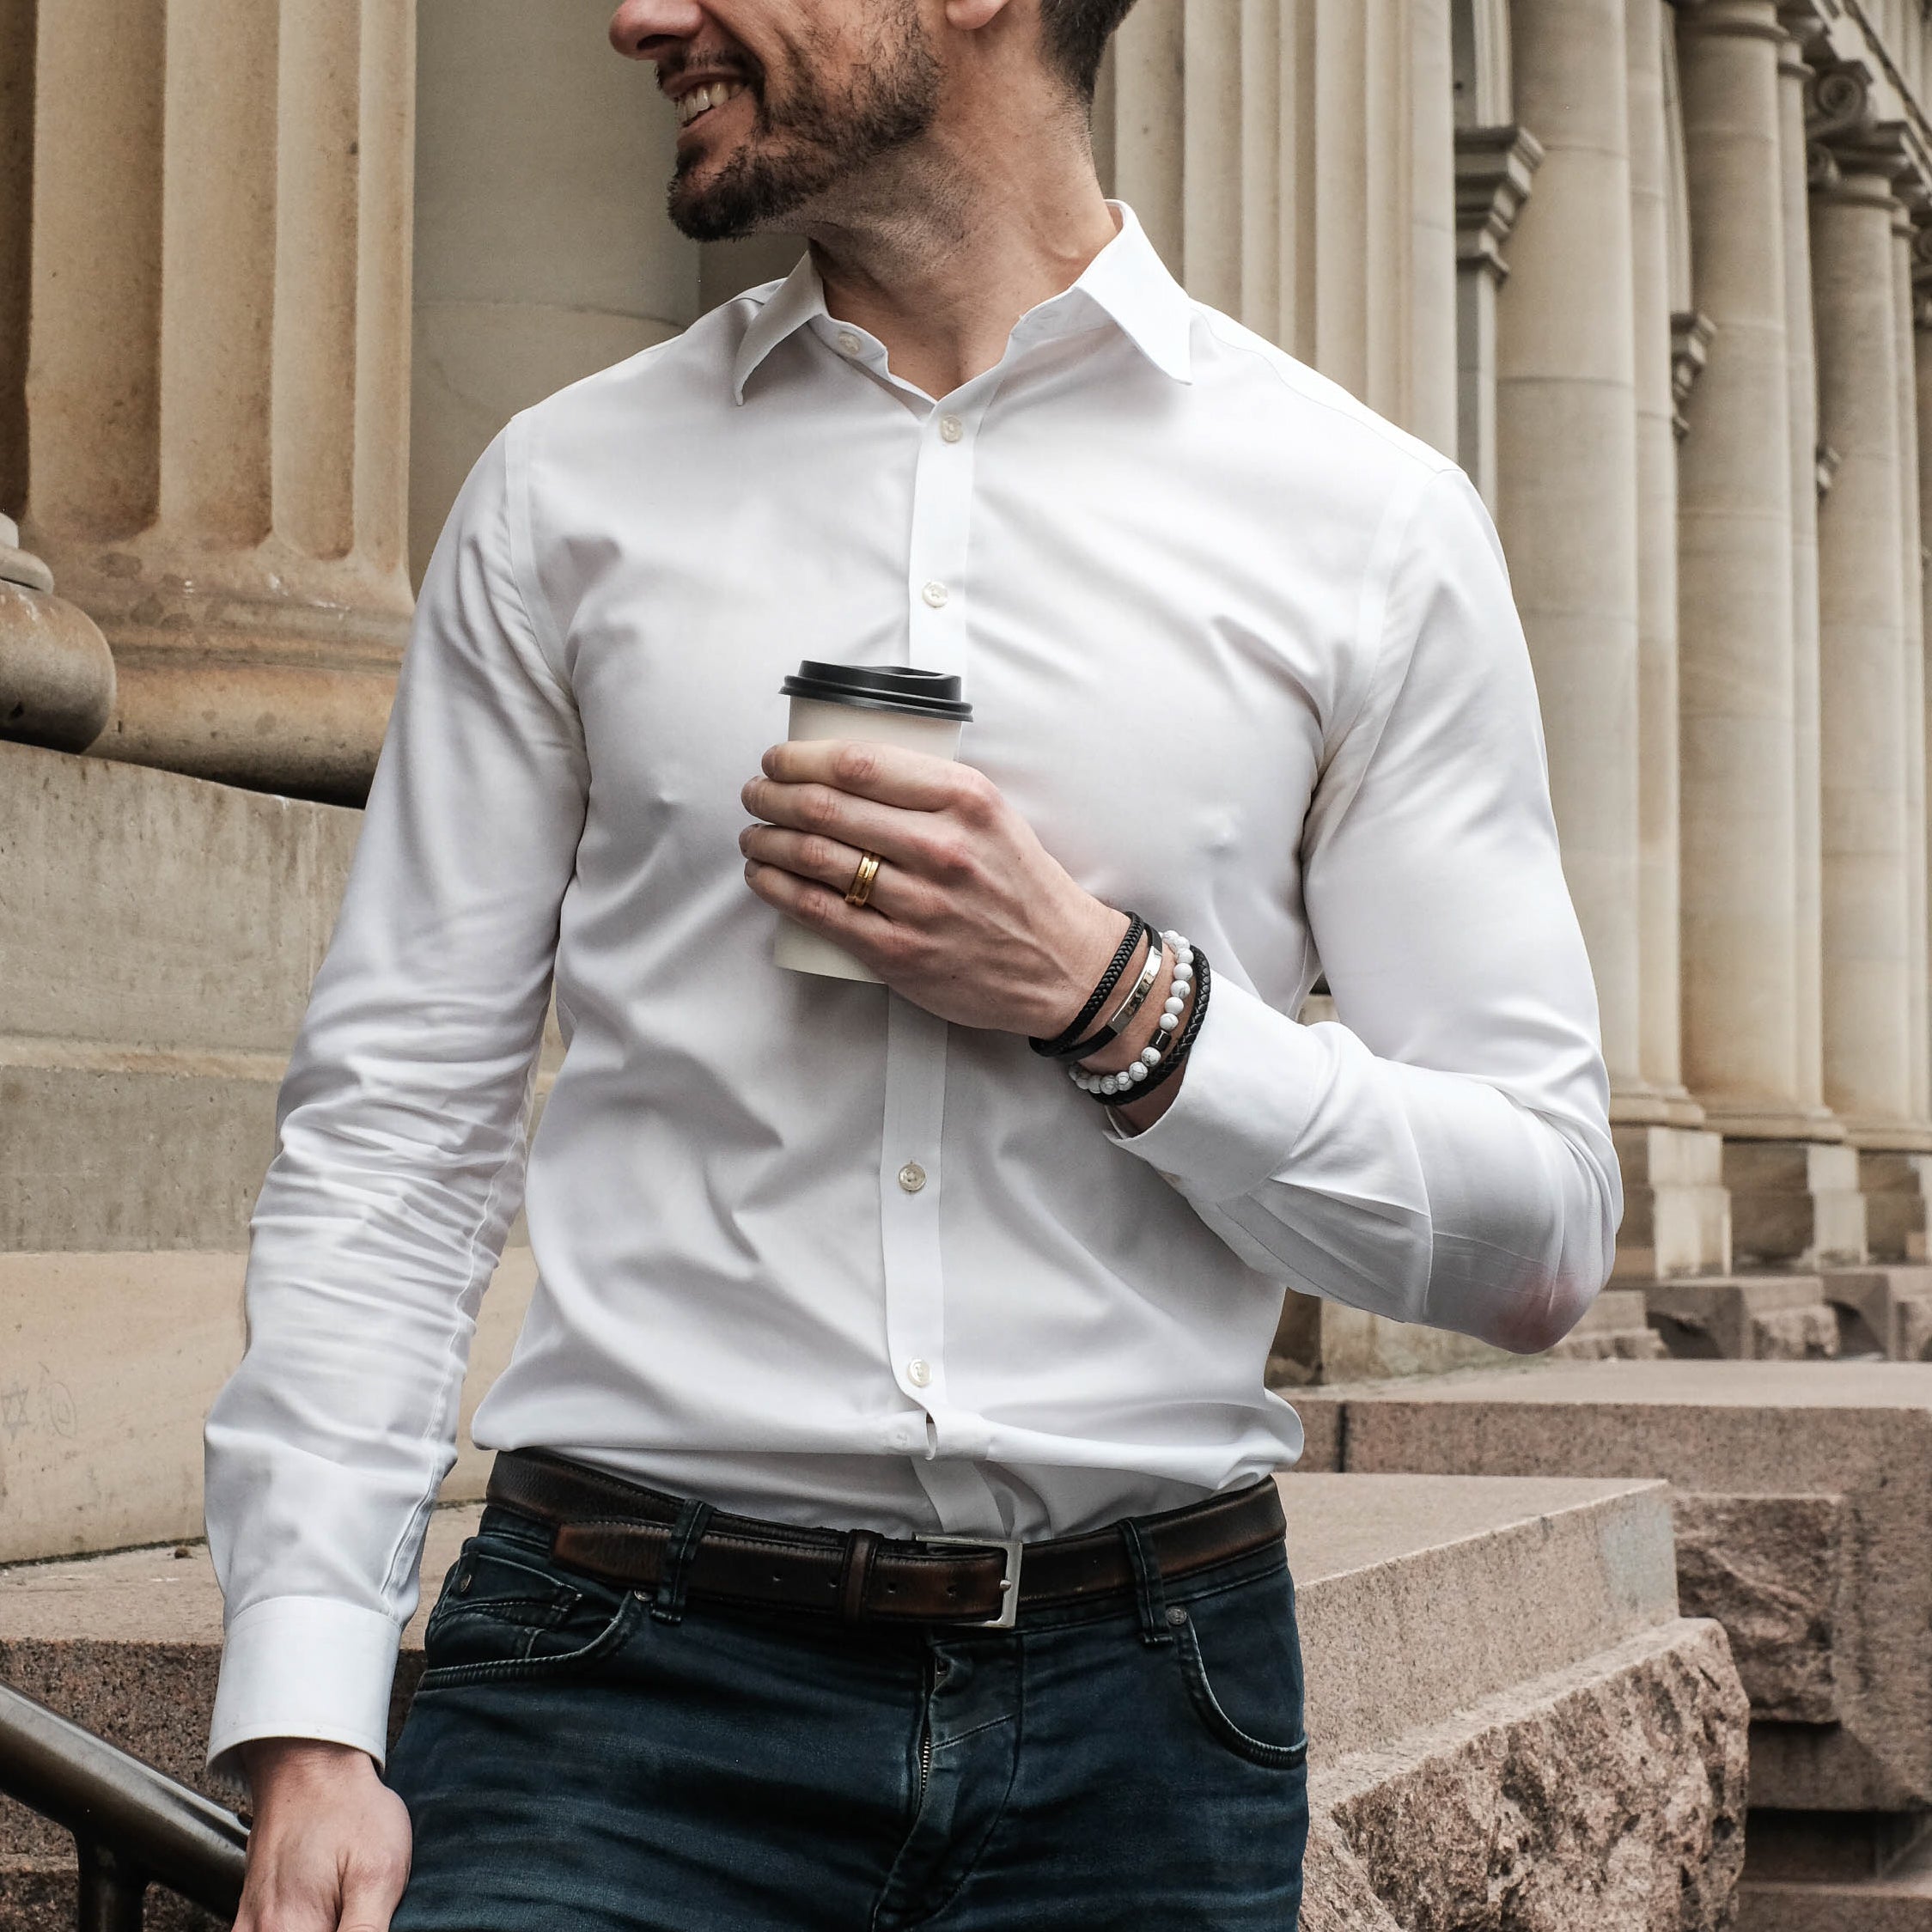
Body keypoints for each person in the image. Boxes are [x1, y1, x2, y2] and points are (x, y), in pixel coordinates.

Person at [208, 0, 1620, 1925]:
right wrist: (309, 1712)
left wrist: (1117, 1000)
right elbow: (396, 1135)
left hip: (1149, 1713)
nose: (638, 18)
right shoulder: (565, 495)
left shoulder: (1363, 528)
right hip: (611, 1701)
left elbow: (1540, 1229)